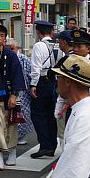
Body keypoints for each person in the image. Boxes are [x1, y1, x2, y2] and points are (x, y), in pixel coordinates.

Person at [0, 23, 26, 169]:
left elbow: (17, 76)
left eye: (1, 36)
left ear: (5, 39)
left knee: (11, 125)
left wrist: (14, 95)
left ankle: (12, 152)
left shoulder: (11, 55)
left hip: (8, 94)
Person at [30, 20, 62, 158]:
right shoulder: (59, 45)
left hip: (42, 81)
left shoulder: (39, 45)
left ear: (39, 32)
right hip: (55, 82)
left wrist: (33, 84)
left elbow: (36, 67)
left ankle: (44, 145)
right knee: (51, 114)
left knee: (38, 114)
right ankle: (52, 145)